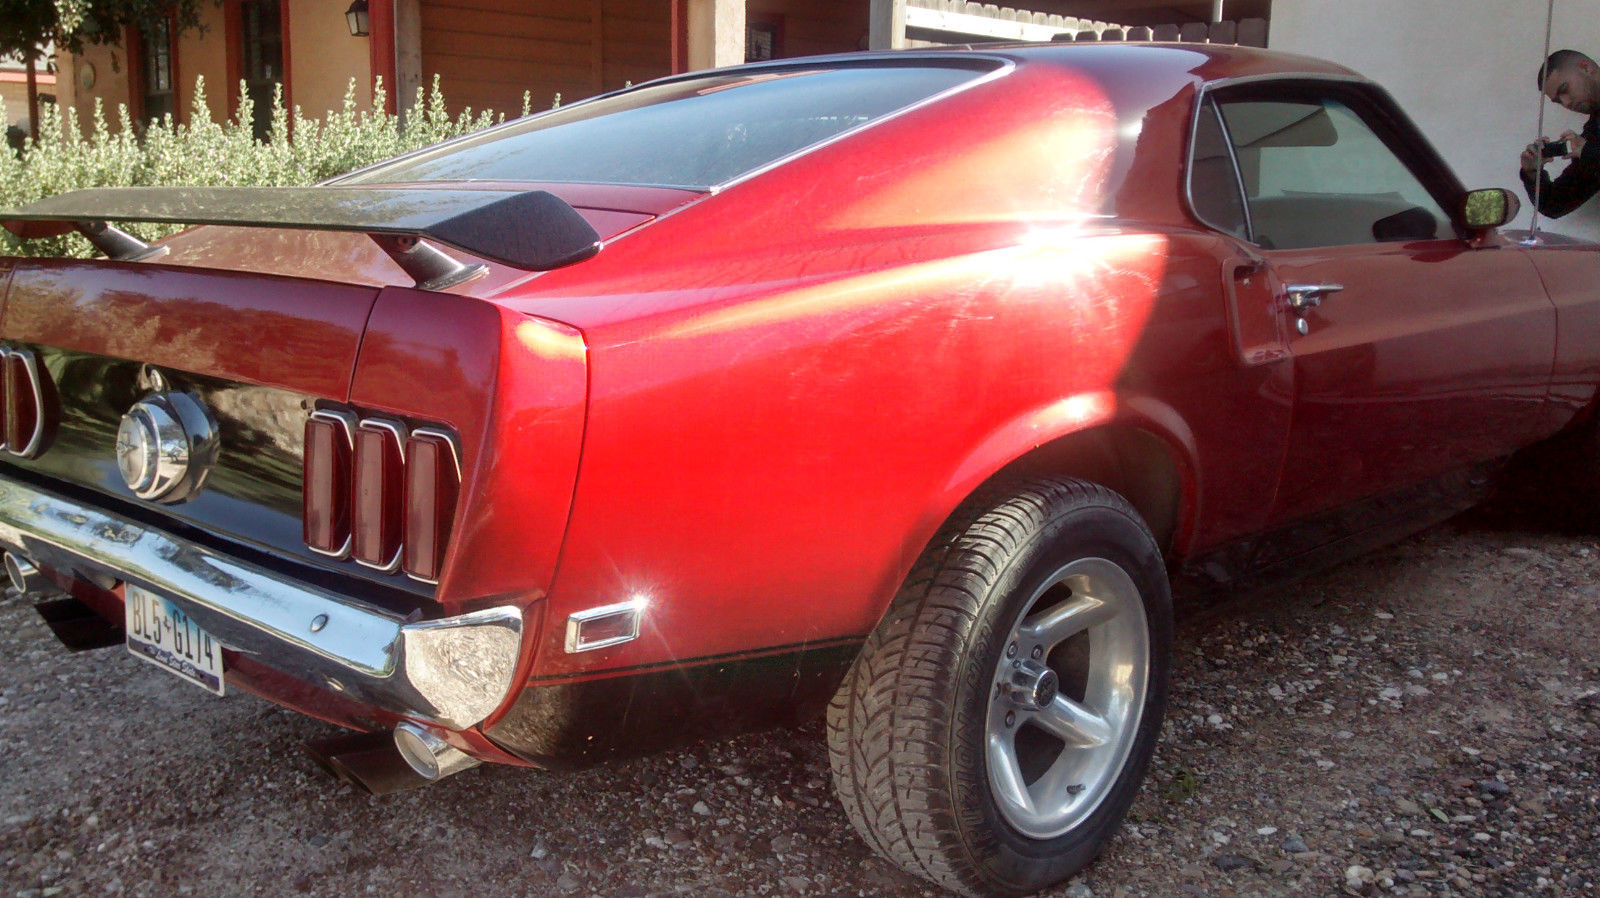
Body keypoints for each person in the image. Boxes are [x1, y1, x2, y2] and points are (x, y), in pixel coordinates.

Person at [1521, 49, 1600, 218]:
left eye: (1564, 90)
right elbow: (1554, 204)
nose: (1566, 102)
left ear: (1586, 68)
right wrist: (1533, 173)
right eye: (1558, 101)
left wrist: (1590, 153)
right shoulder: (1595, 131)